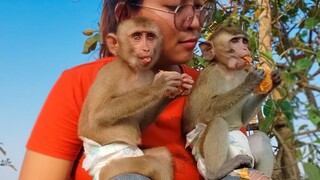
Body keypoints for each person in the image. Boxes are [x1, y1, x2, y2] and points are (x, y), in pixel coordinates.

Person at [19, 0, 215, 179]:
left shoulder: (207, 87)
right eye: (174, 9)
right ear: (125, 15)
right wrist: (156, 90)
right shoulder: (82, 81)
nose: (195, 23)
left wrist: (165, 95)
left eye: (199, 8)